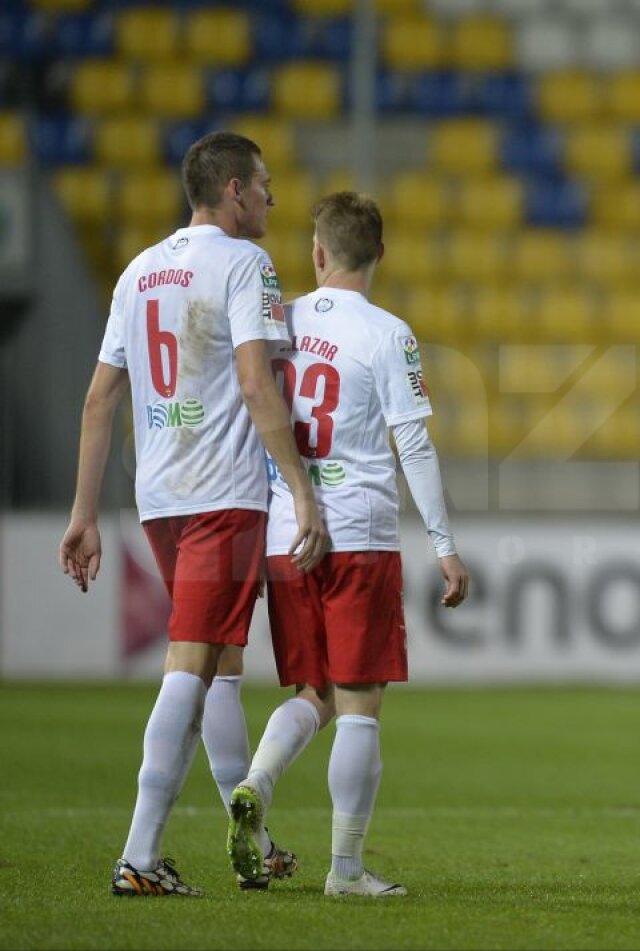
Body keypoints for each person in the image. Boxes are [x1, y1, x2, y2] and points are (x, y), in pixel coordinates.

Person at [58, 132, 331, 897]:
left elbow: (98, 398)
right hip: (224, 494)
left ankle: (257, 838)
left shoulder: (140, 269)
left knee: (217, 665)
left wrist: (84, 511)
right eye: (266, 185)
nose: (274, 199)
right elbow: (255, 380)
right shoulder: (246, 264)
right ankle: (140, 855)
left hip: (161, 498)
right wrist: (301, 488)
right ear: (235, 189)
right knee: (192, 662)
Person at [223, 191, 470, 898]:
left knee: (314, 689)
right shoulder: (390, 333)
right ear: (381, 255)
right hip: (358, 530)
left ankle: (257, 781)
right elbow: (413, 443)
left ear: (318, 252)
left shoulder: (281, 321)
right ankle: (346, 869)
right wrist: (445, 546)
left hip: (286, 527)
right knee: (359, 702)